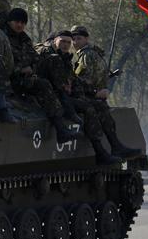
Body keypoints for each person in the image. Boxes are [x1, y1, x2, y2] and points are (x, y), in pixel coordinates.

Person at [36, 30, 121, 165]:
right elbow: (55, 82)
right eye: (63, 41)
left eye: (68, 42)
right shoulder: (50, 55)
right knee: (88, 108)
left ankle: (115, 145)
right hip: (49, 95)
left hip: (63, 95)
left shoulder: (65, 58)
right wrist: (65, 87)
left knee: (99, 105)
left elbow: (76, 82)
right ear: (55, 41)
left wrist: (94, 93)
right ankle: (99, 151)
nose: (66, 45)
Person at [6, 8, 78, 143]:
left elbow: (35, 59)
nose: (20, 25)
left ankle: (62, 121)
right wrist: (20, 69)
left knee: (44, 79)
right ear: (10, 22)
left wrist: (31, 69)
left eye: (23, 22)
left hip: (26, 78)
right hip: (9, 80)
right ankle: (62, 124)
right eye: (17, 21)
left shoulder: (24, 39)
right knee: (43, 83)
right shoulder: (3, 38)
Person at [71, 25, 141, 159]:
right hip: (96, 96)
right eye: (73, 39)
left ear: (86, 39)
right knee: (101, 110)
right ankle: (115, 146)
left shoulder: (86, 55)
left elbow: (83, 81)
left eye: (78, 38)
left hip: (91, 96)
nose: (75, 42)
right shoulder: (93, 53)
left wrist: (94, 92)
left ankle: (114, 147)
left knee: (97, 110)